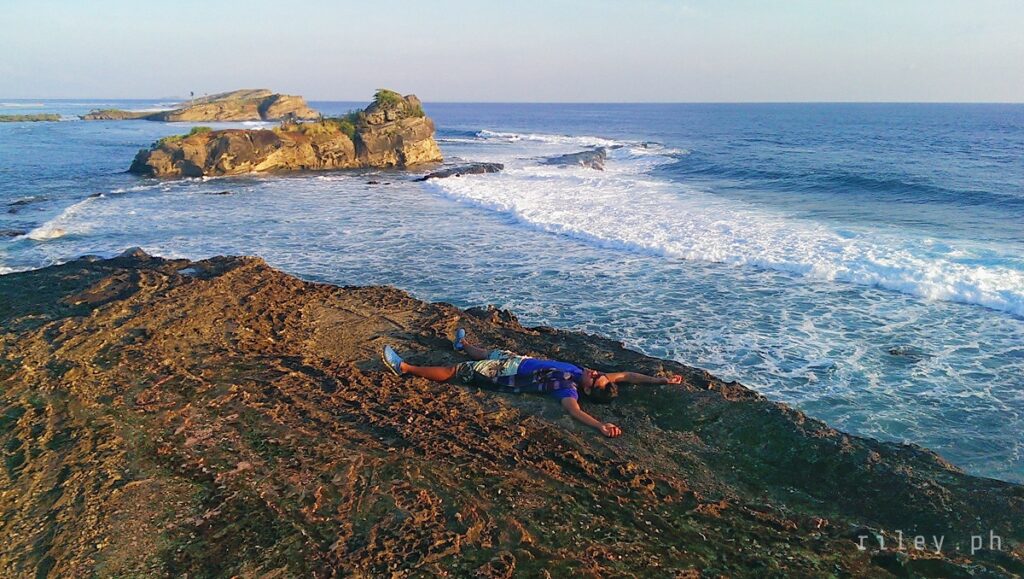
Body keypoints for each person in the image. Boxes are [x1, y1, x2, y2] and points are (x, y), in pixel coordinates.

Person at [381, 329, 683, 438]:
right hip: (517, 359)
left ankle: (404, 367)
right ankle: (463, 345)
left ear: (590, 389)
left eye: (595, 377)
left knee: (454, 371)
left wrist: (600, 425)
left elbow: (573, 411)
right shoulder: (584, 375)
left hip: (503, 374)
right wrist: (661, 380)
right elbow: (628, 376)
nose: (593, 371)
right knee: (485, 351)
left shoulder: (569, 389)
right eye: (596, 373)